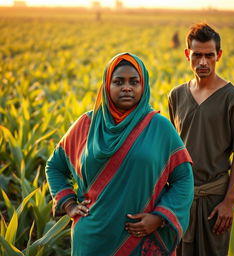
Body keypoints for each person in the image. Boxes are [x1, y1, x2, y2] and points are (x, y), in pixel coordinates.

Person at [46, 52, 194, 256]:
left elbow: (184, 178)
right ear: (107, 86)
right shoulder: (87, 125)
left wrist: (159, 218)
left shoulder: (159, 127)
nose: (127, 87)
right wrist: (69, 204)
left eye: (134, 82)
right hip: (92, 240)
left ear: (144, 86)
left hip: (140, 239)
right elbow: (54, 166)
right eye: (118, 82)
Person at [168, 23, 234, 256]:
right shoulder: (176, 95)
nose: (203, 62)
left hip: (215, 201)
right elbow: (174, 149)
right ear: (187, 55)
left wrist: (229, 201)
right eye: (197, 55)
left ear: (218, 55)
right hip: (181, 198)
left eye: (209, 55)